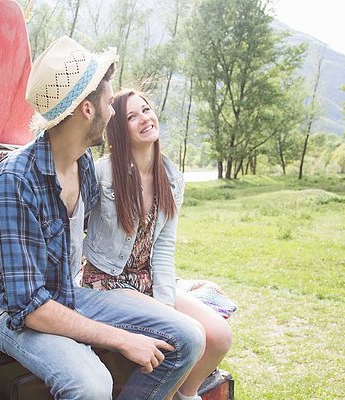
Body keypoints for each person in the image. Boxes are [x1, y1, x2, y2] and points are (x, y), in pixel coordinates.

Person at [0, 36, 205, 400]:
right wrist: (123, 339)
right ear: (87, 109)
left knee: (189, 337)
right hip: (15, 316)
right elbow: (30, 308)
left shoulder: (84, 166)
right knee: (91, 385)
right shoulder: (15, 181)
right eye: (108, 101)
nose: (114, 112)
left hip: (70, 293)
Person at [82, 90, 233, 400]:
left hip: (147, 281)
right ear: (119, 131)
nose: (144, 119)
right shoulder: (102, 173)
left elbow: (163, 248)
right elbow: (72, 229)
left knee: (218, 336)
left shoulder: (172, 177)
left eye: (146, 110)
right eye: (131, 117)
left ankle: (184, 395)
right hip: (107, 283)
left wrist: (165, 306)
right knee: (187, 334)